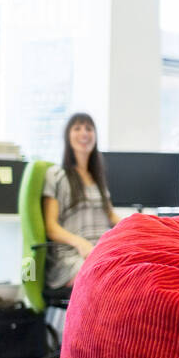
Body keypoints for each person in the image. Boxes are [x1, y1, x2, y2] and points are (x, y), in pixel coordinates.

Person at [41, 112, 121, 291]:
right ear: (67, 136)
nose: (84, 133)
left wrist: (140, 226)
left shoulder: (97, 179)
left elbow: (112, 216)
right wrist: (80, 243)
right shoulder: (56, 175)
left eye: (89, 128)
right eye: (77, 128)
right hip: (72, 258)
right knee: (111, 283)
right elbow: (50, 226)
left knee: (133, 274)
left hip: (100, 254)